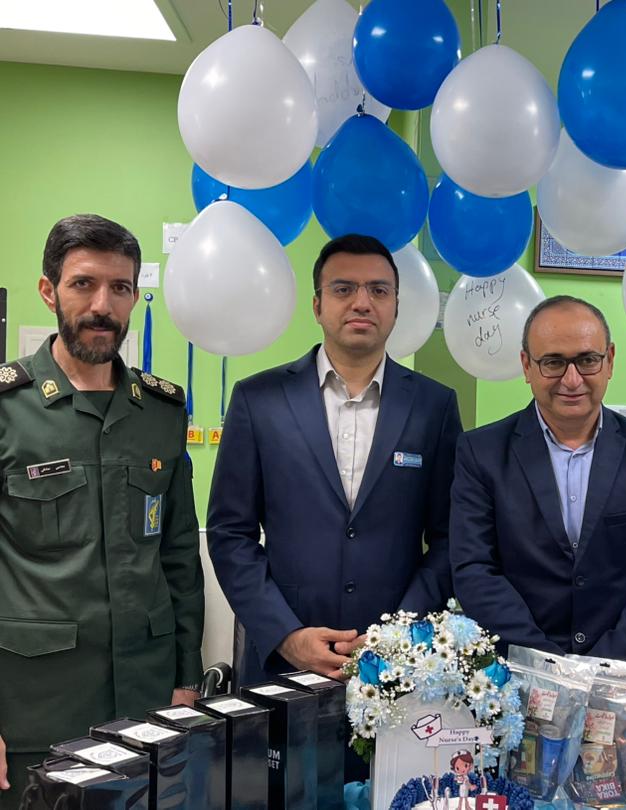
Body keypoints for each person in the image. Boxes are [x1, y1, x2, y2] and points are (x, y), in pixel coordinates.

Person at [0, 214, 203, 808]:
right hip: (35, 709)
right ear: (49, 291)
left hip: (146, 703)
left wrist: (187, 678)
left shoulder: (161, 413)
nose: (102, 306)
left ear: (135, 296)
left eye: (119, 288)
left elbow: (180, 556)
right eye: (83, 284)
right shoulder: (8, 408)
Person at [207, 234, 462, 689]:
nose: (362, 302)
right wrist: (285, 634)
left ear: (396, 306)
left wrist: (399, 633)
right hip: (282, 662)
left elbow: (450, 538)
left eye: (379, 290)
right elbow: (230, 533)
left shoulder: (434, 406)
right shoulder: (259, 400)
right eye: (343, 289)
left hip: (398, 663)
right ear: (317, 305)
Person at [450, 295, 626, 663]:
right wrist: (548, 665)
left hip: (622, 671)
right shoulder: (481, 452)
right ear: (527, 366)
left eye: (587, 360)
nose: (572, 379)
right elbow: (474, 570)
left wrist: (602, 666)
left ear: (610, 360)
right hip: (517, 669)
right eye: (553, 362)